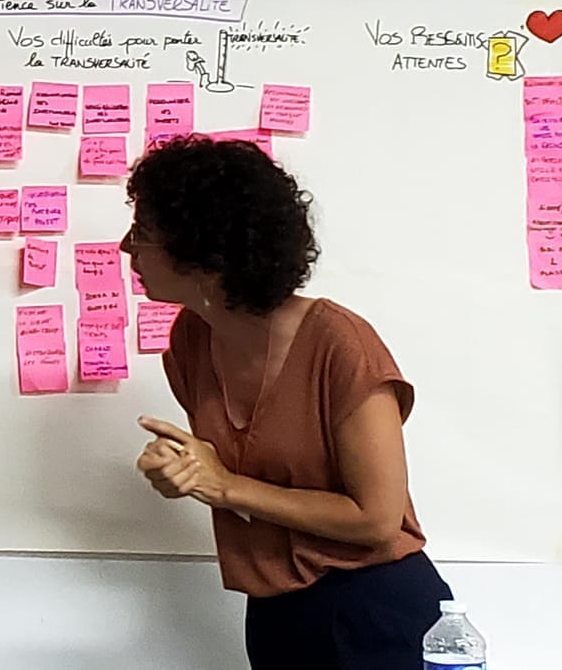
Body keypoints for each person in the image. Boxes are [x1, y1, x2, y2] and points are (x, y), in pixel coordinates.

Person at [119, 134, 452, 669]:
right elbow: (235, 470)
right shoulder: (191, 339)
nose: (125, 248)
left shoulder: (340, 344)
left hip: (376, 610)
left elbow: (376, 519)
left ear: (204, 255)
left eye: (143, 234)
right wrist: (184, 469)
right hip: (275, 609)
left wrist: (223, 485)